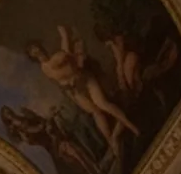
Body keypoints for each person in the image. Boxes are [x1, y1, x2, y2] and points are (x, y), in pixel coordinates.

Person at [26, 28, 139, 158]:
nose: (38, 51)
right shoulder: (46, 66)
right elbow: (63, 63)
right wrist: (64, 36)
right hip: (75, 90)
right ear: (33, 56)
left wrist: (65, 37)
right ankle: (112, 142)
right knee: (96, 112)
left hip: (85, 79)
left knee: (103, 104)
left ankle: (131, 127)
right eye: (34, 51)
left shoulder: (53, 59)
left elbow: (67, 56)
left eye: (37, 48)